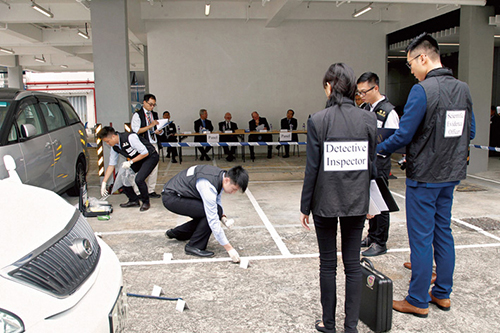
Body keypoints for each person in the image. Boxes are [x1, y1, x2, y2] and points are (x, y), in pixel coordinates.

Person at [376, 33, 476, 317]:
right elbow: (470, 132)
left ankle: (417, 299)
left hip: (424, 176)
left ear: (423, 58)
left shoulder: (422, 90)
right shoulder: (463, 89)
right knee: (443, 232)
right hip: (451, 174)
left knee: (421, 238)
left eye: (410, 64)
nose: (410, 70)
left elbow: (404, 134)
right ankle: (442, 293)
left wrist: (379, 150)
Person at [300, 63, 377, 333]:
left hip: (325, 202)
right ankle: (351, 327)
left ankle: (329, 324)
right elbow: (371, 165)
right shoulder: (368, 119)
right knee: (353, 264)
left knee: (328, 264)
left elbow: (312, 168)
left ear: (329, 87)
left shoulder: (318, 120)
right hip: (357, 201)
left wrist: (305, 206)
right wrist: (371, 202)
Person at [162, 165, 249, 260]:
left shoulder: (221, 176)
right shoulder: (207, 185)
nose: (233, 192)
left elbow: (217, 199)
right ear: (227, 180)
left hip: (180, 194)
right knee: (211, 214)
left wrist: (222, 216)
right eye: (234, 189)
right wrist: (229, 248)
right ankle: (194, 246)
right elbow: (213, 219)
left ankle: (178, 233)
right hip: (172, 197)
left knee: (216, 211)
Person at [356, 72, 400, 257]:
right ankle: (372, 235)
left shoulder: (389, 111)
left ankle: (380, 242)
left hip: (380, 163)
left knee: (381, 204)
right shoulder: (366, 108)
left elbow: (396, 138)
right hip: (366, 163)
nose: (361, 96)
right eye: (359, 92)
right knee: (370, 202)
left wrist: (379, 149)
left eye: (364, 91)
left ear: (376, 88)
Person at [99, 126, 159, 212]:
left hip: (150, 157)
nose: (108, 144)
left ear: (113, 136)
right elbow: (111, 165)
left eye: (108, 141)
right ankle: (133, 200)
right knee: (122, 176)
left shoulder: (130, 137)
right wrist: (104, 183)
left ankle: (146, 202)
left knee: (139, 179)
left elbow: (145, 153)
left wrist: (130, 162)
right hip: (137, 160)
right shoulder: (114, 147)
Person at [131, 93, 162, 198]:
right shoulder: (137, 115)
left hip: (153, 143)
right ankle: (138, 191)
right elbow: (137, 131)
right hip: (142, 145)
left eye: (154, 105)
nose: (152, 107)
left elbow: (156, 129)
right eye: (150, 104)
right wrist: (150, 126)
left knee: (154, 167)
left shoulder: (155, 115)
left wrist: (159, 131)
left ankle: (151, 190)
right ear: (144, 102)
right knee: (141, 168)